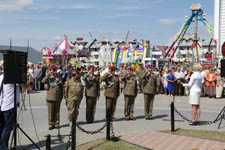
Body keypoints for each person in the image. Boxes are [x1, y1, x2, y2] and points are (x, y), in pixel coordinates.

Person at [0, 74, 21, 150]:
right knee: (7, 128)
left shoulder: (1, 76)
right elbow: (26, 85)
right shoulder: (12, 77)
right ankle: (3, 147)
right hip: (10, 106)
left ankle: (3, 145)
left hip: (2, 105)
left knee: (3, 127)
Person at [42, 65, 63, 130]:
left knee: (57, 112)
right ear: (50, 70)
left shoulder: (58, 76)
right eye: (53, 70)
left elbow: (61, 86)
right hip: (50, 97)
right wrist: (48, 75)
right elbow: (42, 81)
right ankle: (51, 124)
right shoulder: (48, 77)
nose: (54, 71)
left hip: (57, 96)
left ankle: (56, 124)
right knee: (51, 112)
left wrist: (62, 96)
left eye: (55, 70)